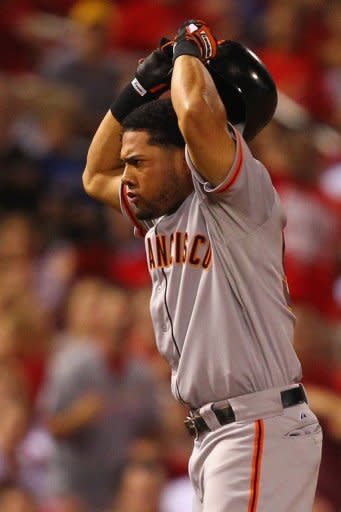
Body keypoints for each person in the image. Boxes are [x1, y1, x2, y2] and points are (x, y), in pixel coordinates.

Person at [83, 19, 322, 512]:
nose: (125, 177)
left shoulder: (239, 196)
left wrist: (188, 48)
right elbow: (92, 174)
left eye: (138, 163)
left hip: (257, 426)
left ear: (184, 155)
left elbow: (194, 115)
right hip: (220, 435)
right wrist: (135, 87)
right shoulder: (160, 208)